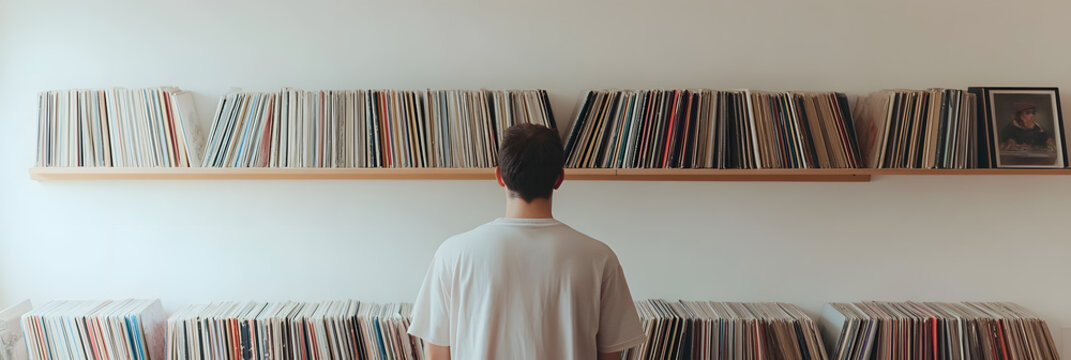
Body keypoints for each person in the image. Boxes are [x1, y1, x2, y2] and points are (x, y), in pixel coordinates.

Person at [407, 124, 646, 359]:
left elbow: (437, 352)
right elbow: (611, 354)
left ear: (499, 176)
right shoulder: (600, 258)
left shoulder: (452, 254)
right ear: (559, 178)